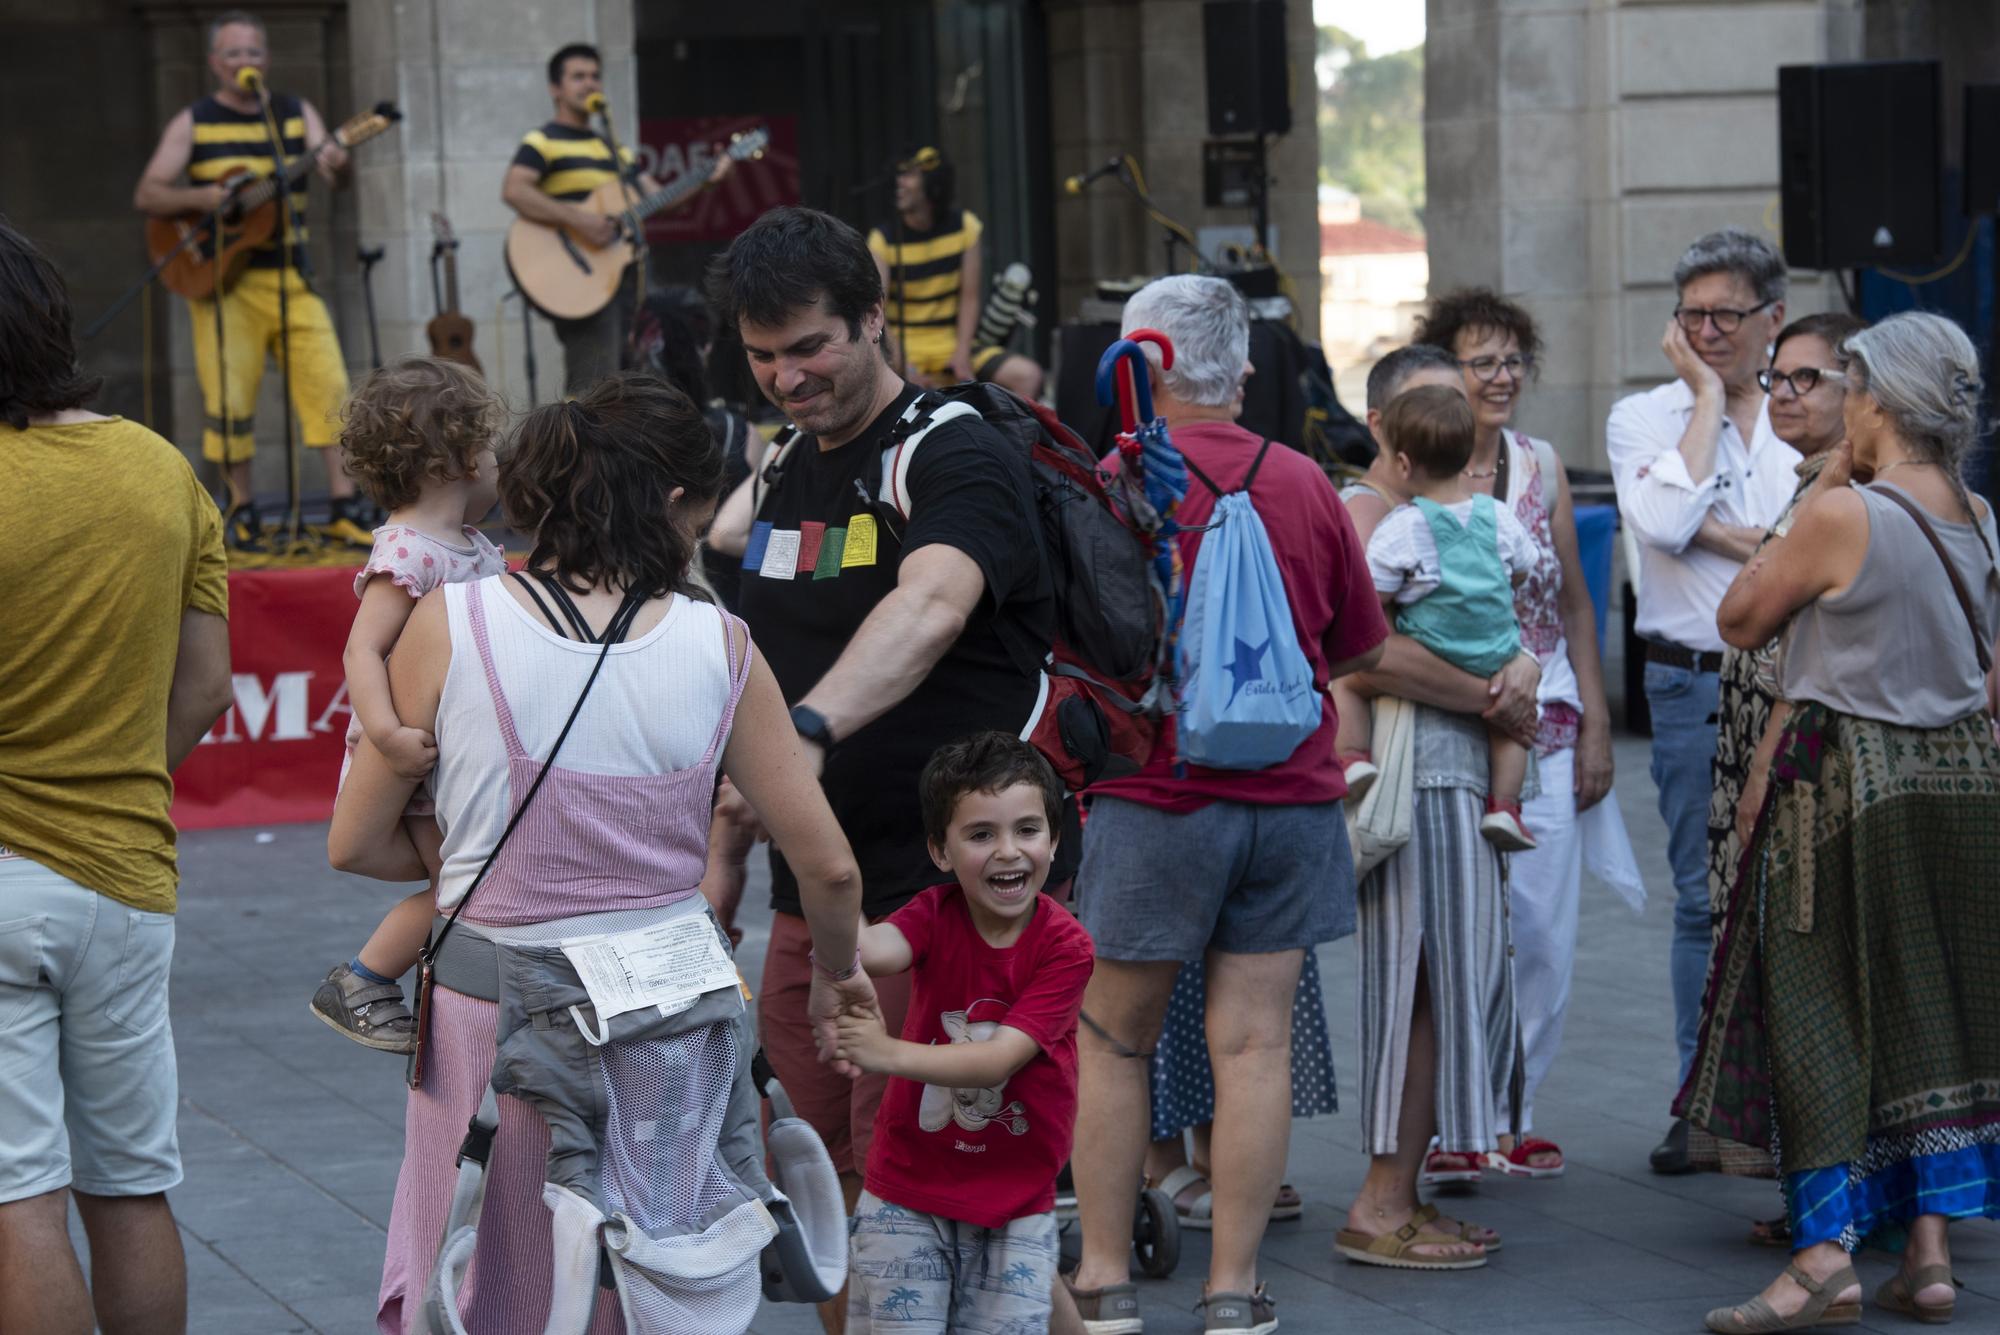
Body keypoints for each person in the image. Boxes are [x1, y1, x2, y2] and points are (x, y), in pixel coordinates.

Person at [327, 372, 877, 1332]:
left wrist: (471, 861)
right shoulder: (722, 642)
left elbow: (354, 840)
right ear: (670, 504)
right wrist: (839, 974)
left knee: (486, 1267)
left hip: (492, 1019)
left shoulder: (447, 623)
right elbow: (828, 867)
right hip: (662, 1021)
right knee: (651, 1272)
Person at [701, 205, 1060, 1335]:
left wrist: (799, 736)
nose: (787, 377)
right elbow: (734, 606)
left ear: (871, 319)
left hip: (942, 899)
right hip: (818, 886)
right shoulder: (783, 465)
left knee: (926, 1183)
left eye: (809, 347)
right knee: (823, 1174)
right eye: (762, 357)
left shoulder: (949, 448)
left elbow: (933, 602)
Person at [1064, 274, 1386, 1335]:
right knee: (1251, 1047)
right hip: (1289, 801)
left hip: (1154, 798)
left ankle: (1104, 1277)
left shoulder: (1108, 480)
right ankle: (1233, 1291)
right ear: (1241, 368)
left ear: (1137, 364)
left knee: (1113, 1040)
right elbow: (1357, 648)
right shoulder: (1302, 483)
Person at [1684, 311, 2000, 1332]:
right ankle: (1927, 1254)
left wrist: (1822, 488)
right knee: (1932, 1014)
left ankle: (1821, 1257)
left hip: (1844, 786)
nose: (1839, 410)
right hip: (1956, 783)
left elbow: (1738, 618)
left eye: (1848, 389)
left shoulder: (1842, 512)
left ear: (1881, 402)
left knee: (1819, 1015)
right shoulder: (1980, 515)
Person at [0, 219, 233, 1335]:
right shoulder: (159, 467)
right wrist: (116, 775)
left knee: (15, 1196)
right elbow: (204, 688)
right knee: (132, 1184)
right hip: (127, 883)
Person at [1330, 346, 1543, 1271]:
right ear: (1382, 426)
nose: (1459, 420)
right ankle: (1380, 1200)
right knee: (1413, 980)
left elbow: (1520, 615)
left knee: (1443, 983)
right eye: (1436, 405)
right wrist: (1497, 692)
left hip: (1451, 772)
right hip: (1414, 773)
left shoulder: (1457, 512)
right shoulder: (1370, 514)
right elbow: (1363, 652)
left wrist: (1525, 667)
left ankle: (1398, 1192)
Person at [1413, 288, 1628, 1180]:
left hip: (1548, 715)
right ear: (1445, 371)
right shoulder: (1419, 458)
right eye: (1481, 360)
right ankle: (1449, 1117)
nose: (1500, 377)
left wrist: (1600, 723)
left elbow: (1576, 600)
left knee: (1540, 928)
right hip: (1444, 715)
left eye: (1512, 361)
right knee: (1451, 930)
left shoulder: (1541, 462)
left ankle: (1514, 1109)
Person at [1605, 227, 1798, 1175]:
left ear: (1775, 317)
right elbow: (1666, 521)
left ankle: (1793, 1104)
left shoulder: (1811, 410)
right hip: (1692, 680)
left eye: (1729, 315)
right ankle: (1703, 1104)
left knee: (1800, 898)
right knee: (1701, 900)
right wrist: (1708, 400)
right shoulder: (1645, 417)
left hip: (1804, 678)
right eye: (1694, 316)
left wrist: (1749, 539)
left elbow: (1841, 535)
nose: (1711, 330)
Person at [834, 733, 1093, 1334]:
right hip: (907, 1186)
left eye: (1027, 830)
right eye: (981, 835)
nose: (1008, 851)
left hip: (1016, 1198)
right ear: (940, 851)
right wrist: (831, 872)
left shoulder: (1065, 947)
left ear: (1055, 841)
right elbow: (870, 949)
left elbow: (996, 1062)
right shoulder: (934, 912)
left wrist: (884, 1053)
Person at [1701, 310, 1864, 1241]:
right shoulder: (1812, 484)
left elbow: (1776, 632)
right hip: (1759, 753)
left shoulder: (1849, 494)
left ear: (1861, 392)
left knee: (1808, 982)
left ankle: (1836, 1209)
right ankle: (1816, 1196)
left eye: (1811, 379)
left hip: (1801, 762)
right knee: (1769, 972)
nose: (1789, 395)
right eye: (1779, 379)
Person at [307, 357, 506, 1054]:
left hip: (454, 750)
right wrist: (388, 735)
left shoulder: (476, 548)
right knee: (460, 885)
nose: (497, 463)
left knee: (464, 878)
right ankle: (362, 977)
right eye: (489, 446)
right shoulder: (409, 551)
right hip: (415, 757)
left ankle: (415, 975)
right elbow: (362, 651)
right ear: (459, 455)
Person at [132, 8, 370, 550]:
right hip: (224, 286)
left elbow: (336, 175)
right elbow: (149, 194)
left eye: (254, 53)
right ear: (216, 63)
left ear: (266, 60)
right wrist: (206, 200)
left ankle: (342, 504)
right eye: (234, 53)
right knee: (231, 401)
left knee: (329, 387)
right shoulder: (194, 121)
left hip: (291, 279)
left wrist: (337, 160)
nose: (245, 62)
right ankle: (241, 510)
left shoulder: (293, 113)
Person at [1333, 384, 1540, 849]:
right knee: (1509, 728)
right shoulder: (1500, 517)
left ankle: (1351, 757)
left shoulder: (1403, 527)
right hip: (1496, 653)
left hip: (1432, 649)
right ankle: (1506, 807)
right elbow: (1525, 570)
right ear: (1469, 455)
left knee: (1344, 680)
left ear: (1403, 464)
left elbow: (1370, 596)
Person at [502, 44, 727, 395]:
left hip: (626, 274)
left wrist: (705, 181)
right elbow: (516, 190)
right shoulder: (542, 141)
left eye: (595, 76)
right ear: (555, 89)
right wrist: (580, 221)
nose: (590, 83)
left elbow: (659, 200)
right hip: (581, 278)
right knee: (595, 380)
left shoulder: (614, 149)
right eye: (578, 76)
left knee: (649, 370)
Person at [867, 147, 1044, 400]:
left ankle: (1013, 440)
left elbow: (969, 298)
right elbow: (878, 311)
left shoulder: (965, 227)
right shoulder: (882, 240)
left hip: (955, 344)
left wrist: (961, 354)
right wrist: (904, 365)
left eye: (909, 175)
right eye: (899, 175)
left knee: (1029, 376)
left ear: (932, 182)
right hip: (905, 351)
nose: (899, 183)